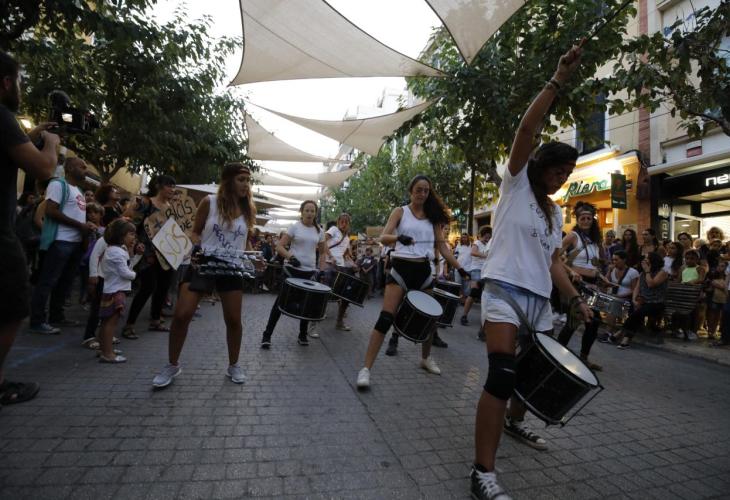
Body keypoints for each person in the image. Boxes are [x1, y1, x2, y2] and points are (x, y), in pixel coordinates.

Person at [470, 46, 592, 500]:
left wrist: (576, 299)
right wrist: (557, 79)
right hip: (502, 289)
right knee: (502, 374)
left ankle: (514, 424)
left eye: (567, 173)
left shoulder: (555, 215)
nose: (561, 178)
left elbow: (553, 262)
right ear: (541, 164)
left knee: (529, 378)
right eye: (558, 169)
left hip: (540, 300)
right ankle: (482, 472)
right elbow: (526, 127)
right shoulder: (516, 181)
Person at [355, 174, 470, 386]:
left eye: (426, 190)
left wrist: (461, 269)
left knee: (429, 318)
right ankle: (365, 369)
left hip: (423, 270)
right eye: (419, 190)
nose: (422, 194)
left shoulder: (433, 216)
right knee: (385, 318)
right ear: (411, 191)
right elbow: (383, 238)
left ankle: (425, 358)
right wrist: (399, 238)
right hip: (401, 268)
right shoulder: (400, 211)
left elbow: (443, 247)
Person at [152, 163, 255, 388]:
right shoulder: (210, 202)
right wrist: (195, 248)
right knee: (181, 314)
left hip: (232, 266)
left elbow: (244, 240)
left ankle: (234, 365)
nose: (246, 185)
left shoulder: (249, 209)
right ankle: (172, 365)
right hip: (204, 262)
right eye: (241, 179)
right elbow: (195, 232)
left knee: (234, 320)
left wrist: (252, 258)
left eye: (248, 180)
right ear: (228, 181)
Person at [0, 50, 60, 407]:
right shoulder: (3, 116)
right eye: (19, 81)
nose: (20, 88)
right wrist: (50, 146)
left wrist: (33, 132)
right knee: (12, 306)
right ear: (6, 82)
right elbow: (44, 169)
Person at [29, 157, 93, 333]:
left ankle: (57, 316)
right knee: (48, 281)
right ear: (71, 168)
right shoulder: (58, 185)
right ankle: (37, 321)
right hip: (60, 241)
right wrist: (80, 225)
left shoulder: (78, 190)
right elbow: (51, 211)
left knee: (64, 283)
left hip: (75, 243)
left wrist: (85, 227)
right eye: (83, 166)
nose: (85, 169)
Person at [260, 200, 325, 349]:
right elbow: (279, 246)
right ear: (301, 212)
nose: (309, 213)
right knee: (280, 303)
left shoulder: (319, 231)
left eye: (312, 211)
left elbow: (322, 254)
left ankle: (302, 335)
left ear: (315, 213)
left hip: (309, 272)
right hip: (292, 271)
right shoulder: (294, 227)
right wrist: (291, 257)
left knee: (306, 304)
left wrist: (321, 271)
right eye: (307, 210)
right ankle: (267, 335)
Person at [121, 175, 177, 338]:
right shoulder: (146, 202)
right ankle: (129, 325)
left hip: (167, 254)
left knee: (163, 287)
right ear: (158, 185)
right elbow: (131, 223)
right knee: (147, 287)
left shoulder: (172, 206)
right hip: (147, 253)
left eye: (173, 187)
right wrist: (135, 243)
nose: (172, 190)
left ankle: (155, 320)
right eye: (169, 186)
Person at [556, 202, 605, 371]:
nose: (585, 220)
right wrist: (570, 271)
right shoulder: (573, 236)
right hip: (577, 283)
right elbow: (555, 257)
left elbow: (593, 264)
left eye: (588, 218)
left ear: (593, 220)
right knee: (574, 321)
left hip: (591, 285)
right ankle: (556, 356)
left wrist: (600, 275)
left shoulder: (595, 240)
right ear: (578, 220)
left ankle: (583, 357)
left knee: (592, 322)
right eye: (582, 218)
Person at [97, 219, 140, 363]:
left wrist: (135, 255)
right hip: (116, 291)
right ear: (121, 235)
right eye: (131, 234)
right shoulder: (118, 253)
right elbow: (126, 272)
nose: (134, 237)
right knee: (111, 323)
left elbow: (128, 265)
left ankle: (104, 349)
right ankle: (108, 354)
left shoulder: (113, 250)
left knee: (106, 322)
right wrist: (134, 275)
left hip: (111, 289)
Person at [613, 252, 669, 349]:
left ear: (653, 260)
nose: (644, 260)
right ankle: (625, 340)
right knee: (636, 313)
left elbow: (651, 284)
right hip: (644, 302)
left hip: (657, 303)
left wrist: (647, 271)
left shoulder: (662, 272)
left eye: (647, 258)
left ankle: (620, 332)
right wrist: (634, 299)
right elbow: (637, 288)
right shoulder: (643, 273)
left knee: (637, 314)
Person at [323, 213, 357, 331]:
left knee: (344, 294)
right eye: (341, 221)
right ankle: (320, 312)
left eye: (346, 222)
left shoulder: (347, 238)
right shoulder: (333, 230)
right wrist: (331, 256)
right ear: (338, 222)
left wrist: (353, 264)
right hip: (329, 265)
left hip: (341, 267)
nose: (343, 224)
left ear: (348, 224)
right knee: (326, 291)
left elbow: (346, 255)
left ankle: (339, 321)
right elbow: (322, 242)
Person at [460, 226, 491, 326]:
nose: (487, 239)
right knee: (473, 293)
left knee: (485, 296)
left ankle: (485, 322)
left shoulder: (488, 245)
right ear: (481, 235)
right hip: (476, 270)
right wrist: (486, 255)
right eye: (486, 237)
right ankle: (464, 316)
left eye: (489, 237)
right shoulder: (477, 243)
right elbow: (473, 252)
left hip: (486, 271)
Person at [454, 233, 473, 299]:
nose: (463, 239)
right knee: (457, 284)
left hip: (468, 269)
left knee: (466, 286)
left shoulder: (472, 246)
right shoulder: (458, 245)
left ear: (468, 238)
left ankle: (464, 299)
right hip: (458, 268)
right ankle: (458, 298)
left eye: (465, 237)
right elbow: (455, 256)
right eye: (462, 237)